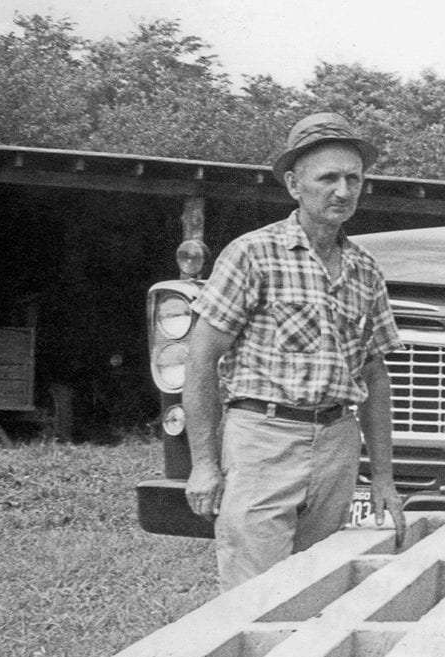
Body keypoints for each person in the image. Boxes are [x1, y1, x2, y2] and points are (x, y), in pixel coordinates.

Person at [183, 112, 406, 591]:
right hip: (262, 440)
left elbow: (375, 373)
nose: (343, 191)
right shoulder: (252, 255)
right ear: (293, 184)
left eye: (353, 179)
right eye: (328, 178)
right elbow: (201, 360)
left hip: (337, 446)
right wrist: (203, 464)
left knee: (319, 589)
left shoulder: (365, 270)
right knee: (255, 599)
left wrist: (383, 479)